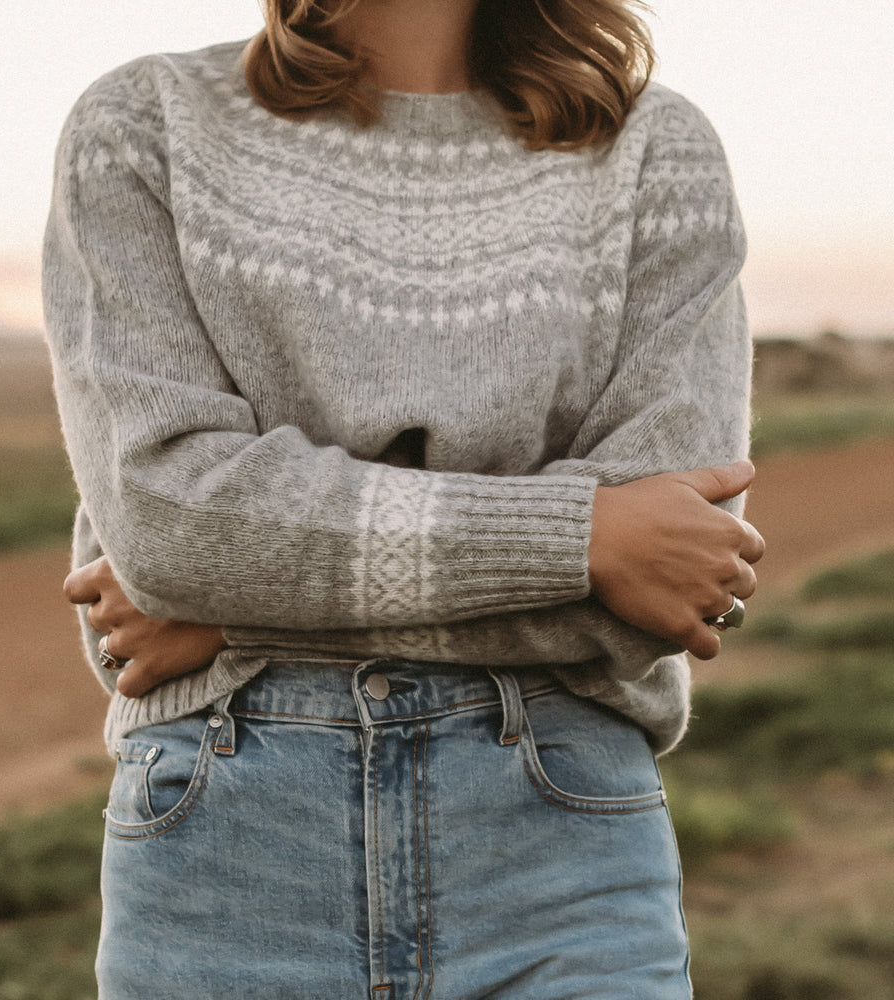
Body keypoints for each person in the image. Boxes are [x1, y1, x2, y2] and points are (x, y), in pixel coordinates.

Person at [43, 1, 765, 996]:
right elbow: (170, 523)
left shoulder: (654, 150)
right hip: (225, 859)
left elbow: (669, 577)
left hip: (560, 860)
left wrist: (242, 606)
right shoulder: (142, 125)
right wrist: (584, 537)